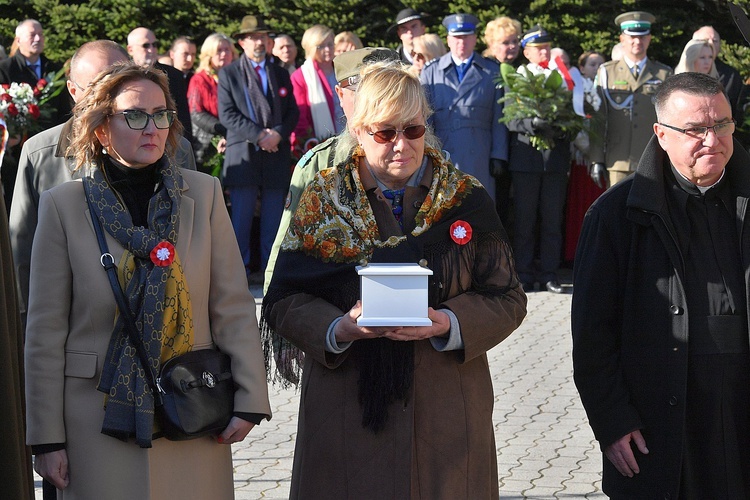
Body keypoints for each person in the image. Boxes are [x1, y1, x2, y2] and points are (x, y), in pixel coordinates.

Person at [262, 63, 527, 499]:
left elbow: (507, 297)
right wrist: (337, 328)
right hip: (344, 408)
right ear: (358, 130)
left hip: (444, 410)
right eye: (385, 133)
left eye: (414, 130)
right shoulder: (323, 199)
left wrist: (448, 323)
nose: (402, 145)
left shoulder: (465, 198)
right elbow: (282, 298)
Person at [25, 62, 272, 499]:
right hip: (95, 421)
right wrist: (46, 438)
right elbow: (45, 332)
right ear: (102, 128)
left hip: (192, 410)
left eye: (161, 114)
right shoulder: (62, 206)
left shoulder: (204, 193)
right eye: (135, 115)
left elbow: (232, 305)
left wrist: (251, 398)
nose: (151, 127)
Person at [573, 71, 750, 497]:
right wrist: (612, 422)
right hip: (664, 419)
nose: (713, 140)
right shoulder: (617, 215)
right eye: (695, 130)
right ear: (661, 134)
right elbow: (593, 334)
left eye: (722, 125)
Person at [9, 40, 196, 328]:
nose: (109, 94)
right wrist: (24, 324)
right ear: (73, 92)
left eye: (118, 81)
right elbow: (23, 250)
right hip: (77, 326)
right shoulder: (39, 153)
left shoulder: (173, 147)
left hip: (161, 318)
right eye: (95, 86)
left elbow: (194, 243)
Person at [263, 46, 400, 297]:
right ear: (339, 94)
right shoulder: (319, 163)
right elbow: (285, 250)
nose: (373, 102)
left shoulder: (422, 158)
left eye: (383, 89)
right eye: (361, 91)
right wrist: (275, 307)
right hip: (334, 309)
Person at [218, 14, 299, 283]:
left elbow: (292, 112)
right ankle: (236, 276)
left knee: (274, 221)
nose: (259, 42)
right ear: (242, 42)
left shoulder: (279, 72)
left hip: (276, 154)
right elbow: (227, 114)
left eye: (263, 37)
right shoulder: (229, 73)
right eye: (253, 37)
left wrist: (277, 134)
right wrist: (259, 136)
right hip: (244, 153)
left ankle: (271, 273)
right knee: (240, 221)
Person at [421, 13, 508, 203]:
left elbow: (499, 118)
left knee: (478, 205)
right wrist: (425, 153)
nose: (462, 42)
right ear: (448, 40)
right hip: (443, 150)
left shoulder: (492, 70)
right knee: (444, 206)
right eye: (457, 37)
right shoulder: (432, 71)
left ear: (475, 39)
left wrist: (498, 155)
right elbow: (425, 120)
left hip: (480, 151)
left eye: (467, 37)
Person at [589, 11, 672, 188]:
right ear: (622, 39)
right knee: (616, 212)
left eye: (642, 37)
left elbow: (669, 119)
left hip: (651, 159)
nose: (637, 42)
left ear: (649, 39)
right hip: (617, 159)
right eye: (632, 37)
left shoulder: (664, 74)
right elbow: (598, 119)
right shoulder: (606, 72)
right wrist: (596, 159)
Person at [0, 19, 69, 213]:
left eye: (41, 34)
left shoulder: (54, 69)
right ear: (18, 39)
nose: (38, 38)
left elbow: (64, 107)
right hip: (16, 151)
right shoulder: (5, 69)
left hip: (51, 147)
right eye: (32, 34)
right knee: (19, 204)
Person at [563, 50, 606, 263]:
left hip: (604, 158)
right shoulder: (576, 89)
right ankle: (575, 254)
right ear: (581, 68)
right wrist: (588, 148)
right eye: (592, 64)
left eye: (601, 64)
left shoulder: (606, 88)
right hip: (582, 159)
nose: (597, 68)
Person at [127, 27, 194, 146]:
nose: (151, 50)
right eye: (146, 45)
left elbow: (183, 119)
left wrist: (185, 149)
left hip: (168, 145)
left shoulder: (174, 76)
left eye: (154, 45)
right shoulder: (123, 77)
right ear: (130, 49)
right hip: (131, 144)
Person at [290, 24, 344, 158]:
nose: (328, 49)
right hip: (319, 144)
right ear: (311, 48)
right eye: (321, 46)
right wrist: (310, 142)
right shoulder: (301, 76)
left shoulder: (343, 70)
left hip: (348, 137)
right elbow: (299, 115)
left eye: (330, 44)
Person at [187, 33, 235, 172]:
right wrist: (222, 132)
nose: (224, 54)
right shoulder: (199, 80)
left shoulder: (238, 79)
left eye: (227, 50)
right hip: (206, 143)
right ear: (209, 54)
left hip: (234, 139)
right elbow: (196, 113)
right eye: (219, 50)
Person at [693, 26, 744, 123]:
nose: (711, 43)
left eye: (715, 40)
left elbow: (737, 111)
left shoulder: (731, 75)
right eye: (706, 40)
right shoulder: (678, 74)